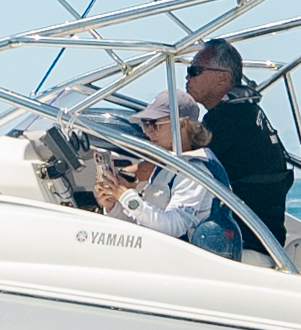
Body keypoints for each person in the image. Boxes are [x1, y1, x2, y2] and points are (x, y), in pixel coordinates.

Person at [95, 90, 246, 258]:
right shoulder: (169, 168)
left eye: (154, 124)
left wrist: (126, 197)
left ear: (182, 124)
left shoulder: (195, 170)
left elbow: (174, 226)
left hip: (190, 265)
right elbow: (147, 223)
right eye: (145, 124)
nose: (148, 132)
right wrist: (113, 206)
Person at [184, 38, 293, 255]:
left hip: (242, 239)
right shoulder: (248, 112)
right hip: (266, 235)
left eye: (195, 70)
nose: (187, 77)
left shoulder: (227, 119)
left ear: (222, 78)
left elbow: (185, 166)